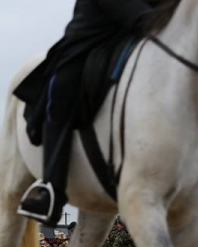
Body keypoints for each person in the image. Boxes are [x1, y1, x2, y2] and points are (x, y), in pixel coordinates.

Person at [15, 0, 154, 226]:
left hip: (151, 37)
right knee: (62, 90)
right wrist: (151, 17)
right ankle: (52, 188)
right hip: (96, 36)